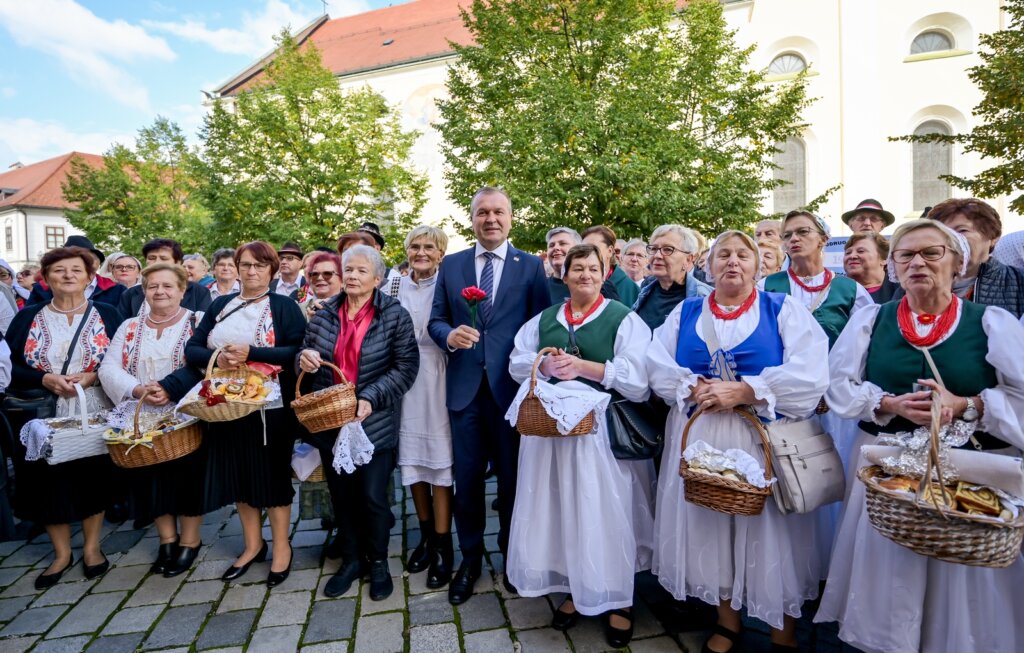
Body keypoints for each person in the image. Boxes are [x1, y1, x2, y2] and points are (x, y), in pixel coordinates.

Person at [815, 218, 1024, 652]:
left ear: (957, 263)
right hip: (887, 472)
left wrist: (967, 405)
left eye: (932, 253)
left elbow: (1020, 392)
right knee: (891, 562)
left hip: (965, 471)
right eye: (906, 255)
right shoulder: (873, 320)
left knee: (959, 567)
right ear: (893, 266)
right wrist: (886, 404)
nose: (918, 263)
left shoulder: (991, 322)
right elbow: (837, 386)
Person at [648, 231, 829, 653]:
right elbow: (655, 364)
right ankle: (727, 621)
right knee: (712, 525)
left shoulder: (783, 309)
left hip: (759, 438)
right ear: (707, 267)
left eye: (742, 255)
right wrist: (692, 387)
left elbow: (811, 371)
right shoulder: (686, 312)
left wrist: (748, 390)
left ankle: (781, 630)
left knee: (770, 531)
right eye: (723, 255)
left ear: (760, 264)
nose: (733, 261)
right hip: (700, 433)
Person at [508, 244, 654, 648]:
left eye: (593, 268)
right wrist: (544, 365)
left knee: (603, 511)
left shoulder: (623, 319)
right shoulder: (545, 319)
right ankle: (578, 585)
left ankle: (619, 599)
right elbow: (516, 360)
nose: (584, 275)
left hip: (599, 435)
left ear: (605, 273)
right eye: (577, 269)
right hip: (553, 434)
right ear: (564, 274)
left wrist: (587, 368)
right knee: (563, 509)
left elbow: (640, 378)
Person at [428, 186, 551, 605]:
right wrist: (449, 335)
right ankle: (470, 558)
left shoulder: (531, 267)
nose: (491, 219)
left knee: (514, 481)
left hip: (512, 393)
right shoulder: (454, 265)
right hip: (464, 392)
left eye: (498, 212)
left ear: (511, 218)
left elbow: (540, 328)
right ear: (473, 218)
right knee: (467, 482)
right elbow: (435, 321)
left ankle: (513, 555)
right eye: (483, 212)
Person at [299, 244, 419, 600]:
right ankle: (351, 560)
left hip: (373, 421)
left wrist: (371, 397)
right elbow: (305, 355)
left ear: (378, 279)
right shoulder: (323, 314)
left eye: (361, 270)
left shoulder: (394, 315)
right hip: (332, 419)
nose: (351, 276)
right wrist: (302, 359)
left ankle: (378, 562)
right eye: (348, 269)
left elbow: (406, 367)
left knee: (372, 497)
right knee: (342, 496)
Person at [185, 242, 306, 587]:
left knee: (272, 476)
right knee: (239, 477)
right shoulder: (221, 305)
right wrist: (219, 358)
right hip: (225, 404)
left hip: (270, 408)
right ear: (236, 268)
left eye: (260, 265)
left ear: (271, 270)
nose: (252, 271)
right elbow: (192, 347)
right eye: (246, 264)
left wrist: (253, 351)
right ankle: (253, 544)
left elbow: (297, 351)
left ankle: (282, 547)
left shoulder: (284, 306)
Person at [4, 246, 124, 589]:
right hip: (43, 414)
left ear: (90, 277)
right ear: (46, 278)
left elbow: (121, 359)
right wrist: (44, 378)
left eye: (76, 269)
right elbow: (9, 368)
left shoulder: (108, 313)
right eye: (59, 270)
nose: (68, 275)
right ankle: (60, 553)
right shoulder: (28, 317)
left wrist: (93, 376)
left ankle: (91, 547)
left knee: (92, 478)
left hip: (94, 409)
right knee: (46, 481)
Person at [98, 263, 205, 577]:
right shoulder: (130, 326)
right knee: (153, 478)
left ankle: (190, 540)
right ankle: (167, 540)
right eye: (153, 286)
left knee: (187, 480)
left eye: (168, 286)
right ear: (144, 290)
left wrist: (170, 389)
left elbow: (204, 364)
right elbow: (108, 368)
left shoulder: (196, 323)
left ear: (182, 290)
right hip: (141, 416)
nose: (160, 292)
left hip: (185, 414)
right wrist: (136, 388)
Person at [381, 227, 455, 588]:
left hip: (439, 375)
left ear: (441, 253)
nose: (421, 252)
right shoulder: (393, 286)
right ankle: (425, 535)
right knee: (412, 461)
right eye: (415, 246)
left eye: (429, 247)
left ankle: (444, 543)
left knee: (438, 462)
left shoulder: (447, 283)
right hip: (403, 378)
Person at [763, 211, 873, 348]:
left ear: (823, 239)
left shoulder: (850, 290)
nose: (794, 239)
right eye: (787, 235)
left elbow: (866, 342)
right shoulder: (766, 286)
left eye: (803, 231)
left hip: (832, 369)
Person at [920, 198, 1024, 318]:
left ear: (993, 237)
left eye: (962, 230)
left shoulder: (1019, 281)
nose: (952, 239)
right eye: (944, 233)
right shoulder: (914, 282)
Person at [633, 225, 711, 331]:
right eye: (654, 249)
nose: (657, 255)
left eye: (668, 249)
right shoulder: (645, 292)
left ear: (689, 259)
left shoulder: (705, 298)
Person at [118, 239, 213, 317]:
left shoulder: (199, 292)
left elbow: (203, 328)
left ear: (178, 263)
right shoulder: (131, 294)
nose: (157, 262)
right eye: (152, 258)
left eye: (163, 258)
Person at [27, 235, 125, 307]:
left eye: (86, 259)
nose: (69, 274)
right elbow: (27, 323)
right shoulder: (41, 289)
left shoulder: (116, 290)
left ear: (97, 263)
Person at [546, 227, 620, 304]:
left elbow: (616, 314)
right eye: (551, 245)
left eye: (562, 243)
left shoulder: (601, 285)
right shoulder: (540, 287)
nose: (556, 248)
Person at [582, 225, 639, 307]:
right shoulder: (576, 283)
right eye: (583, 249)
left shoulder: (631, 289)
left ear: (610, 251)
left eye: (593, 248)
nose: (586, 253)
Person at [843, 233, 897, 303]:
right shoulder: (834, 292)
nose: (852, 256)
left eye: (861, 251)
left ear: (885, 259)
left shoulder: (902, 290)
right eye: (848, 253)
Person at [296, 251, 343, 320]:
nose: (319, 278)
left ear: (342, 280)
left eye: (327, 274)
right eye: (314, 274)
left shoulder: (354, 309)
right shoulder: (298, 310)